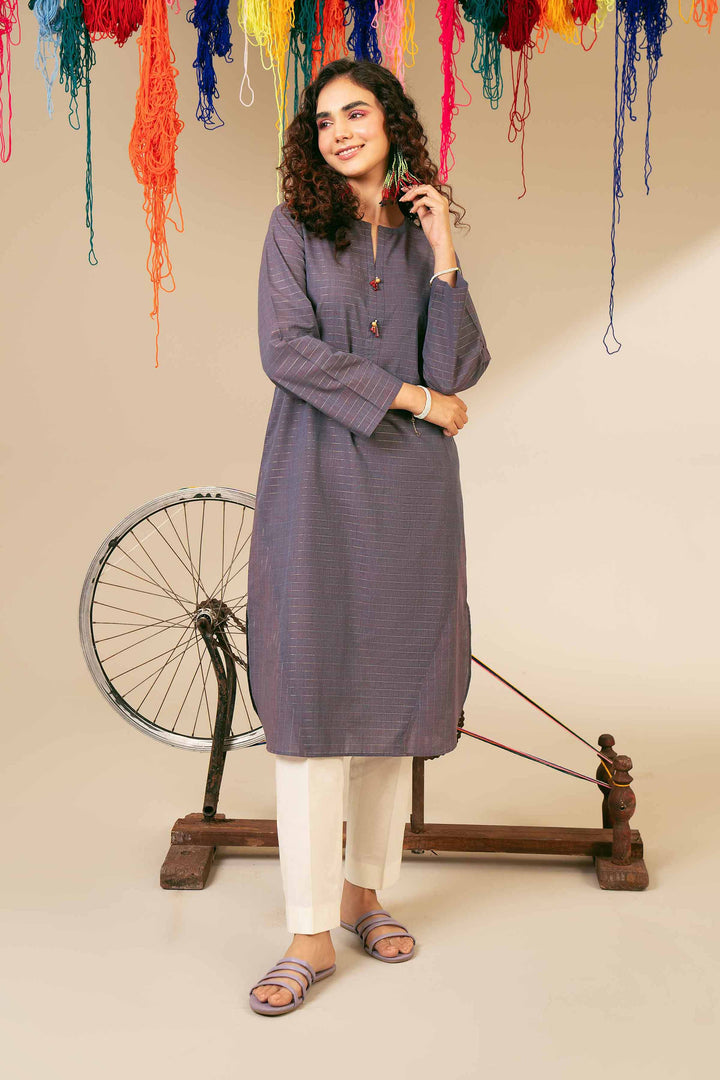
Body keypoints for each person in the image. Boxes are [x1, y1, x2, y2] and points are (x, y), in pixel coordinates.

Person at [246, 58, 491, 1016]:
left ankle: (364, 894)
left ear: (391, 123)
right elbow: (286, 350)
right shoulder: (295, 228)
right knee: (312, 696)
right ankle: (309, 932)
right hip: (315, 476)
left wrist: (446, 252)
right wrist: (414, 400)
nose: (340, 130)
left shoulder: (424, 234)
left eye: (356, 113)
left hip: (412, 493)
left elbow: (454, 367)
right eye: (324, 121)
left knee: (392, 697)